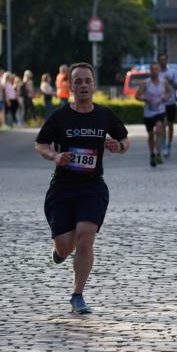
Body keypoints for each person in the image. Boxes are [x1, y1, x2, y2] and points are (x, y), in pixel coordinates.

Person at [35, 62, 129, 315]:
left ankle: (77, 294)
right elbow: (40, 144)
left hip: (92, 187)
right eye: (78, 81)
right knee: (66, 246)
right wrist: (55, 156)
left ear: (94, 85)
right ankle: (60, 252)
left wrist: (117, 147)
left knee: (86, 235)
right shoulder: (60, 116)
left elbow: (125, 140)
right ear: (70, 86)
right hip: (62, 189)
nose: (84, 85)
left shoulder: (104, 115)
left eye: (88, 81)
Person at [135, 62, 172, 168]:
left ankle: (158, 153)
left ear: (159, 70)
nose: (154, 71)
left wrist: (166, 97)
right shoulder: (145, 83)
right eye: (152, 69)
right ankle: (152, 154)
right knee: (151, 135)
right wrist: (145, 99)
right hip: (148, 113)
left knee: (159, 129)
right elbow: (137, 96)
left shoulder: (163, 82)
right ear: (150, 71)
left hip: (160, 111)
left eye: (156, 69)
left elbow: (169, 91)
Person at [157, 53, 177, 157]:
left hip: (171, 102)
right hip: (161, 103)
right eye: (161, 60)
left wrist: (171, 80)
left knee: (171, 125)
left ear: (167, 60)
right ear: (158, 61)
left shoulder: (172, 72)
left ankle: (169, 145)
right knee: (163, 124)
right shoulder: (157, 72)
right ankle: (164, 145)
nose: (163, 62)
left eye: (164, 60)